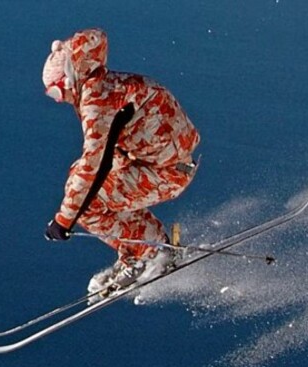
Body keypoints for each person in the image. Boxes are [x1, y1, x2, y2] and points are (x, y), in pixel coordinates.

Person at [41, 28, 200, 294]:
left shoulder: (97, 103)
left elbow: (95, 165)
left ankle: (149, 252)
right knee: (80, 180)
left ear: (69, 80)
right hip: (166, 163)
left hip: (168, 173)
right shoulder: (107, 84)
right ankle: (145, 248)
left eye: (56, 93)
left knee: (88, 205)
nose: (59, 101)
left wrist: (64, 220)